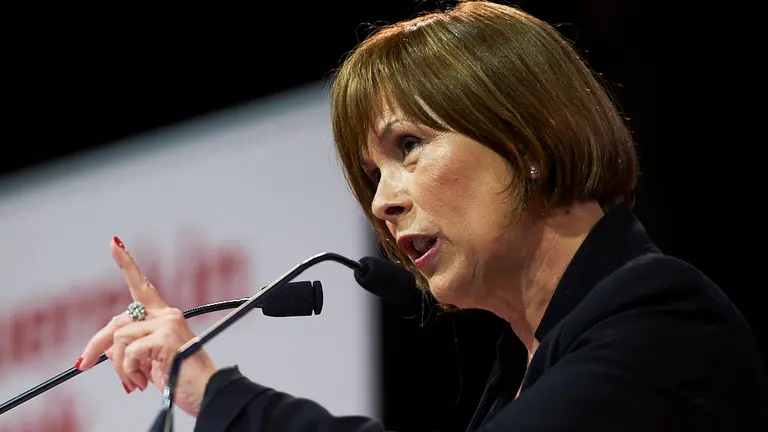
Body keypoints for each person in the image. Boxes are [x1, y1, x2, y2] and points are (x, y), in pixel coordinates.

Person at [76, 1, 768, 431]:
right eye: (374, 175)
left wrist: (218, 393)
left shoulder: (661, 318)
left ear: (528, 139)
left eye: (410, 147)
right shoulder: (516, 377)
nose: (382, 201)